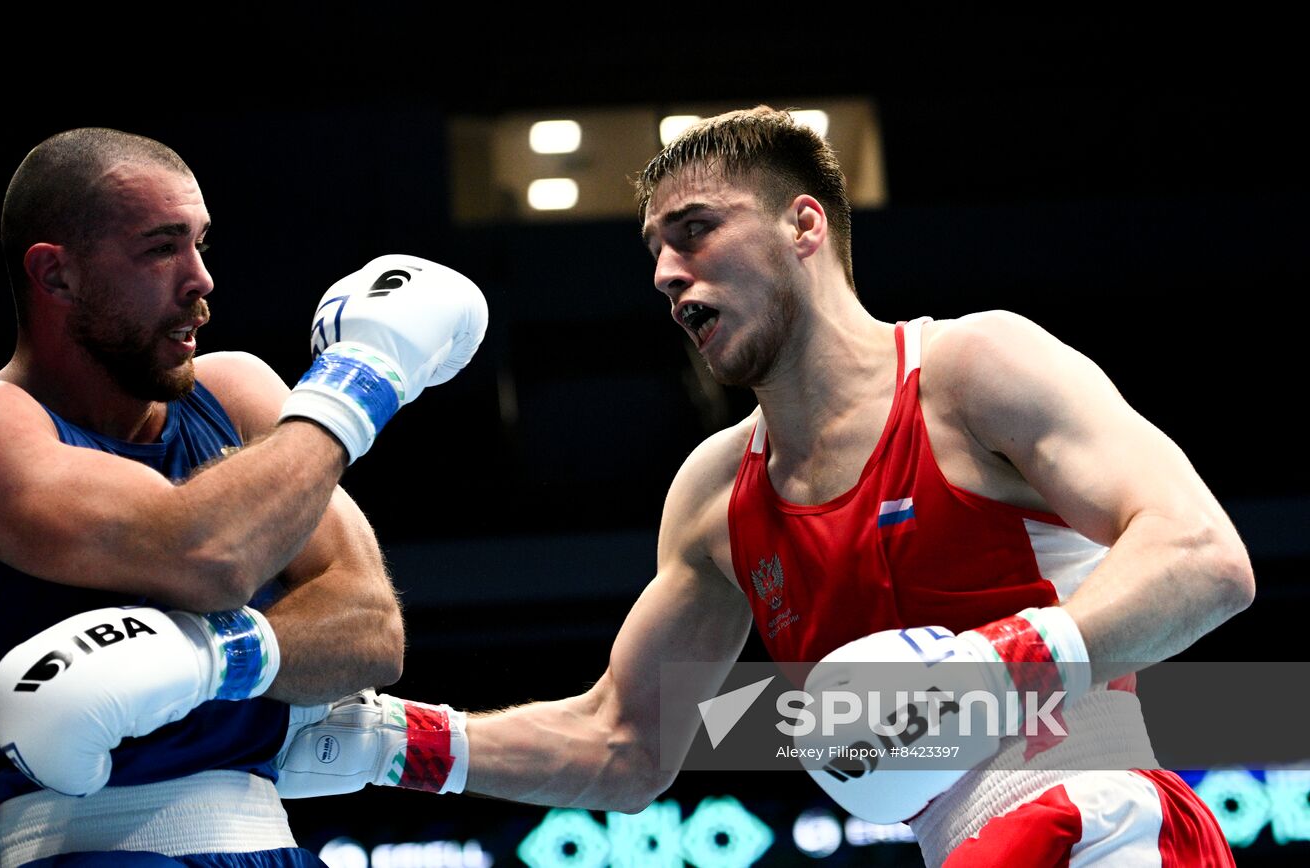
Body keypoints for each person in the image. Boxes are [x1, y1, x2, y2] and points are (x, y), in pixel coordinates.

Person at [445, 107, 1254, 865]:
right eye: (655, 251)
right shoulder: (714, 497)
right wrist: (390, 741)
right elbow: (621, 743)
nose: (665, 273)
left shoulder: (973, 371)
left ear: (805, 225)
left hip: (1094, 812)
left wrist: (989, 671)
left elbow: (1203, 557)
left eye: (695, 231)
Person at [0, 128, 485, 867]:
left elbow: (372, 630)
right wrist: (360, 383)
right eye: (160, 248)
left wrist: (213, 658)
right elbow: (206, 556)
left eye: (201, 244)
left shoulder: (237, 391)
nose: (200, 280)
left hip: (274, 843)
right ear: (56, 276)